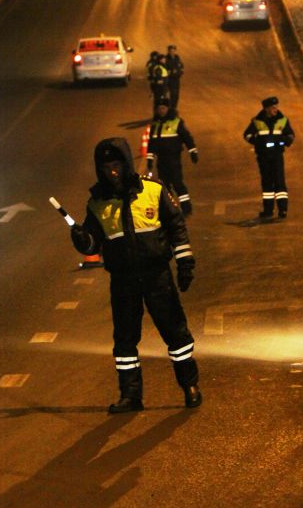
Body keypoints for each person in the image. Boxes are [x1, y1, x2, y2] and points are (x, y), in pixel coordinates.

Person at [70, 137, 201, 413]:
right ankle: (131, 396)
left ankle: (190, 386)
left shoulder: (153, 190)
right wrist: (82, 240)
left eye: (117, 164)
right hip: (123, 280)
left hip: (157, 275)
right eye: (106, 167)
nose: (112, 171)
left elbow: (176, 226)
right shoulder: (97, 203)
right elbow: (93, 243)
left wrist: (185, 262)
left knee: (176, 333)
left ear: (127, 163)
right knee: (125, 340)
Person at [243, 96, 295, 218]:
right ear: (266, 109)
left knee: (279, 182)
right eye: (273, 108)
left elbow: (290, 135)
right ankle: (268, 210)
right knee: (267, 183)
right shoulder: (257, 121)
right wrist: (256, 142)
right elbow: (247, 135)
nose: (275, 109)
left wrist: (284, 141)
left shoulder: (282, 120)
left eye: (276, 107)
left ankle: (283, 209)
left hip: (277, 155)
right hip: (263, 156)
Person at [146, 97, 198, 216]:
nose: (161, 111)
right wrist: (150, 158)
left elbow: (187, 137)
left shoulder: (176, 122)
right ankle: (169, 209)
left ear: (168, 109)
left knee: (177, 183)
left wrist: (193, 151)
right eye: (159, 108)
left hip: (173, 159)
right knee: (164, 185)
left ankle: (186, 208)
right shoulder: (155, 125)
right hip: (161, 160)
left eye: (163, 108)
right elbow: (151, 144)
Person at [165, 44, 184, 108]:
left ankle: (174, 107)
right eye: (171, 51)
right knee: (172, 95)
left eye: (174, 50)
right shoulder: (166, 59)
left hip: (177, 79)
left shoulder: (177, 58)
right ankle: (171, 108)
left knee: (176, 95)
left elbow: (181, 66)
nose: (172, 52)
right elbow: (167, 69)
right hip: (170, 80)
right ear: (168, 51)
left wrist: (180, 72)